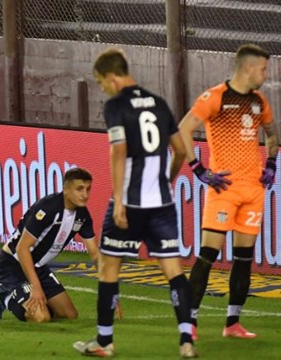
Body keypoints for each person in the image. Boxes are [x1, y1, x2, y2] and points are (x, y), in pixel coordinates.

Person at [73, 48, 197, 358]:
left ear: (113, 77)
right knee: (174, 270)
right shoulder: (159, 103)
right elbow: (180, 151)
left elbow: (118, 152)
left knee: (109, 268)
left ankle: (104, 342)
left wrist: (119, 201)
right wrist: (167, 181)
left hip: (129, 202)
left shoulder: (116, 106)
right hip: (162, 204)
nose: (103, 88)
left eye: (102, 82)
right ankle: (186, 341)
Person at [177, 44, 279, 340]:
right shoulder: (216, 97)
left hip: (253, 191)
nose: (265, 74)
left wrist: (271, 163)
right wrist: (198, 169)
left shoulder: (260, 101)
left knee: (244, 257)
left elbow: (272, 134)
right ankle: (190, 322)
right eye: (263, 68)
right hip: (224, 189)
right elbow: (183, 129)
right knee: (208, 254)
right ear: (248, 68)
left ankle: (232, 323)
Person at [0, 167, 99, 323]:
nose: (85, 195)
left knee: (69, 315)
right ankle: (2, 294)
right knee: (41, 317)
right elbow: (22, 248)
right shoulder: (48, 208)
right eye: (79, 189)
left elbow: (95, 254)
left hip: (37, 266)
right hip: (13, 263)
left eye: (88, 189)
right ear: (66, 189)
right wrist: (36, 287)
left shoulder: (82, 216)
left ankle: (29, 300)